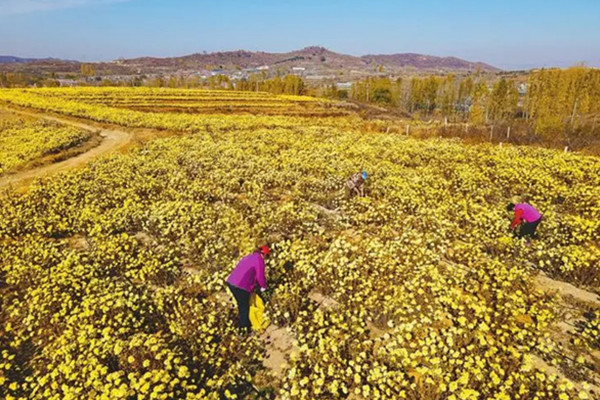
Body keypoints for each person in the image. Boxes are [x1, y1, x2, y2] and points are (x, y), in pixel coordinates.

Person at [226, 245, 270, 332]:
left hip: (231, 282)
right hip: (241, 286)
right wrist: (263, 287)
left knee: (242, 305)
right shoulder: (259, 260)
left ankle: (244, 324)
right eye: (267, 255)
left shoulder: (249, 256)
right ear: (264, 254)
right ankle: (243, 331)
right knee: (244, 307)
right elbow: (260, 276)